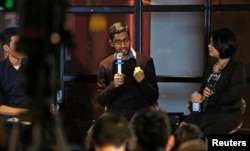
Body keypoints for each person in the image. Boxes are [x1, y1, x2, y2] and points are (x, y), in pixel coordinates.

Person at [180, 28, 247, 135]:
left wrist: (206, 98)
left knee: (206, 135)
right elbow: (203, 90)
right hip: (207, 112)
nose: (208, 46)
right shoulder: (210, 67)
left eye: (212, 43)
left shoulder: (237, 68)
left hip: (226, 114)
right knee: (182, 128)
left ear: (222, 45)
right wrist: (199, 96)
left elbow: (232, 95)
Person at [97, 22, 159, 121]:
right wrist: (113, 86)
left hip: (139, 118)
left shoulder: (145, 61)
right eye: (118, 41)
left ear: (130, 38)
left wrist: (142, 81)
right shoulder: (105, 65)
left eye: (125, 40)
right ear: (111, 43)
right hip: (115, 119)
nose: (123, 45)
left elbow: (154, 96)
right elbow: (101, 100)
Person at [0, 27, 28, 117]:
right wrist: (24, 112)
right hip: (6, 122)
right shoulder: (1, 70)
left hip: (31, 121)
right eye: (17, 44)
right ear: (6, 47)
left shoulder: (32, 68)